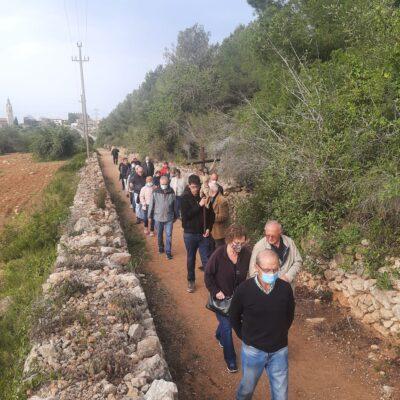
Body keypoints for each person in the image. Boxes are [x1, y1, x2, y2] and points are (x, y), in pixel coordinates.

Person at [230, 249, 295, 400]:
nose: (271, 273)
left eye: (275, 269)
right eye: (267, 269)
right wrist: (246, 337)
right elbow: (233, 316)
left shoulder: (285, 289)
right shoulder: (244, 290)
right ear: (257, 267)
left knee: (281, 396)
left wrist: (279, 334)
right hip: (253, 351)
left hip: (279, 350)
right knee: (246, 390)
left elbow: (289, 315)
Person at [204, 225, 250, 373]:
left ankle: (218, 335)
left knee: (226, 326)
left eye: (242, 243)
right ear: (229, 240)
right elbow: (208, 275)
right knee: (228, 327)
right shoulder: (218, 254)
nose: (239, 246)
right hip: (222, 299)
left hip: (238, 300)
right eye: (236, 243)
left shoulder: (246, 254)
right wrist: (215, 291)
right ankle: (230, 360)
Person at [181, 174, 215, 293]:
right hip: (190, 234)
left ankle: (210, 284)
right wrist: (198, 206)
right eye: (193, 187)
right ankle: (191, 281)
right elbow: (186, 217)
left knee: (206, 259)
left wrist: (208, 228)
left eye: (197, 187)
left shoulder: (205, 197)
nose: (195, 189)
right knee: (191, 258)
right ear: (189, 186)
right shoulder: (184, 198)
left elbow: (211, 215)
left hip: (203, 234)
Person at [249, 220, 302, 289]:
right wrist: (269, 283)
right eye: (267, 235)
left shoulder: (289, 242)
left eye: (273, 236)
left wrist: (288, 277)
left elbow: (298, 261)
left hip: (288, 288)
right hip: (268, 291)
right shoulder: (259, 246)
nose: (270, 238)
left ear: (280, 233)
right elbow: (253, 272)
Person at [148, 176, 177, 260]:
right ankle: (161, 247)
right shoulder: (155, 191)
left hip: (169, 217)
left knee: (169, 235)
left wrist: (176, 215)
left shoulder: (171, 192)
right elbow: (151, 204)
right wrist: (149, 215)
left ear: (168, 183)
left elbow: (174, 204)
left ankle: (168, 252)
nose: (164, 185)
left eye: (166, 184)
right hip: (158, 217)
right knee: (159, 234)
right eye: (162, 184)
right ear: (160, 184)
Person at [208, 182, 229, 248]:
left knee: (219, 253)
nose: (208, 190)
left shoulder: (222, 200)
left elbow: (224, 217)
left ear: (212, 190)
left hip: (219, 233)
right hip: (210, 232)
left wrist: (210, 217)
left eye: (209, 188)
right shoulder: (209, 198)